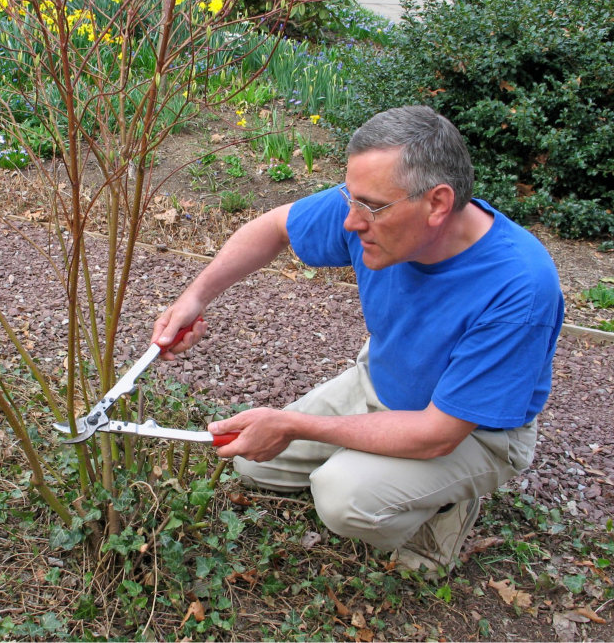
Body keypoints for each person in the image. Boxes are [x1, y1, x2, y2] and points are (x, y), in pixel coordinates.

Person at [151, 105, 564, 577]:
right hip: (381, 380)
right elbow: (275, 226)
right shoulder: (374, 208)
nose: (350, 221)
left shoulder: (519, 287)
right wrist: (194, 297)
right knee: (252, 463)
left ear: (437, 204)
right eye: (350, 198)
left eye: (369, 206)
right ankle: (377, 466)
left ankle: (445, 509)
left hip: (474, 431)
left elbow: (436, 434)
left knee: (342, 498)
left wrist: (293, 424)